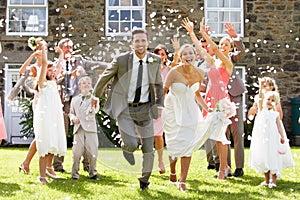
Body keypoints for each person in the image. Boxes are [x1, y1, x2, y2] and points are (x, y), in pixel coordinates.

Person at [92, 28, 164, 190]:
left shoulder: (155, 60)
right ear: (131, 43)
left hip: (145, 108)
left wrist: (159, 104)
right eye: (137, 41)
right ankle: (127, 148)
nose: (140, 44)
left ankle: (144, 180)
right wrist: (95, 96)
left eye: (143, 40)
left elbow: (159, 84)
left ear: (147, 42)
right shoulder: (121, 60)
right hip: (125, 109)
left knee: (148, 148)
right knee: (131, 143)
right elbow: (105, 77)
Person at [182, 17, 237, 180]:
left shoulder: (228, 63)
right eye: (222, 43)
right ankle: (224, 166)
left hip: (221, 101)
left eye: (227, 44)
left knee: (221, 136)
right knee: (217, 137)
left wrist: (205, 35)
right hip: (210, 100)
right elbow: (201, 50)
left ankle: (222, 170)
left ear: (231, 48)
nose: (223, 46)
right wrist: (193, 34)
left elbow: (213, 48)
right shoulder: (213, 62)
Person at [53, 38, 108, 173]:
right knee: (62, 133)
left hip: (80, 102)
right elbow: (55, 80)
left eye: (71, 47)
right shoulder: (57, 64)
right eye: (66, 47)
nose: (69, 50)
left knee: (85, 133)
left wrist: (112, 65)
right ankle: (58, 165)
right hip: (64, 102)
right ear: (60, 49)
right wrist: (68, 75)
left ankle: (87, 164)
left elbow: (95, 64)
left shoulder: (79, 60)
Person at [18, 37, 59, 175]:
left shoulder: (50, 66)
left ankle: (47, 166)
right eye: (42, 49)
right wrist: (32, 56)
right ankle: (28, 162)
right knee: (41, 135)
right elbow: (22, 71)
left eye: (45, 49)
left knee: (52, 132)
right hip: (40, 102)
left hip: (51, 102)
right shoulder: (36, 67)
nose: (44, 51)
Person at [33, 39, 67, 184]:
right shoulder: (42, 84)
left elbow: (59, 66)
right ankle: (41, 176)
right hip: (45, 117)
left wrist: (61, 54)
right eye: (50, 71)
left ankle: (49, 168)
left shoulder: (53, 82)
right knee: (45, 144)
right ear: (44, 72)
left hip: (55, 116)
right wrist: (44, 48)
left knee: (54, 142)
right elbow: (45, 64)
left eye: (54, 72)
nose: (54, 73)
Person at [248, 87, 294, 188]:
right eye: (268, 99)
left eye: (273, 100)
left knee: (273, 157)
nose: (270, 102)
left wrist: (282, 136)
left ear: (276, 103)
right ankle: (266, 179)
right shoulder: (261, 111)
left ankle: (273, 180)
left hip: (273, 139)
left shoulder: (275, 114)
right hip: (264, 140)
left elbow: (279, 126)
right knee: (265, 157)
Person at [152, 40, 179, 174]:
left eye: (163, 54)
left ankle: (160, 161)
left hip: (162, 105)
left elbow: (175, 64)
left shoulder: (168, 69)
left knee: (158, 134)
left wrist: (177, 50)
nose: (161, 57)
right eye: (158, 54)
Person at [69, 76, 100, 180]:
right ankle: (74, 174)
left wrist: (94, 104)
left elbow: (95, 110)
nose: (86, 84)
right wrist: (73, 118)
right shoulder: (74, 100)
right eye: (84, 83)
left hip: (90, 128)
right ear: (79, 86)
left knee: (93, 152)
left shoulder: (94, 98)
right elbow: (71, 113)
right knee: (76, 152)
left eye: (89, 83)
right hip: (78, 129)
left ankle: (93, 173)